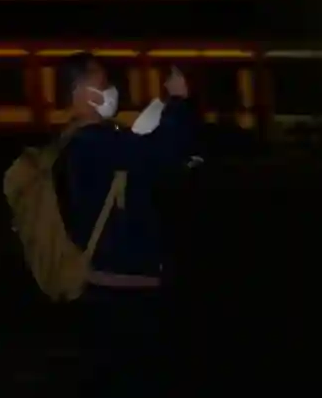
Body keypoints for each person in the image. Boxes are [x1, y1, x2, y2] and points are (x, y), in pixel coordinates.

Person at [54, 52, 197, 398]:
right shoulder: (94, 143)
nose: (111, 90)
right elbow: (162, 152)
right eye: (103, 83)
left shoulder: (82, 142)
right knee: (134, 375)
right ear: (80, 91)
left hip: (104, 281)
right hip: (123, 285)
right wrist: (178, 102)